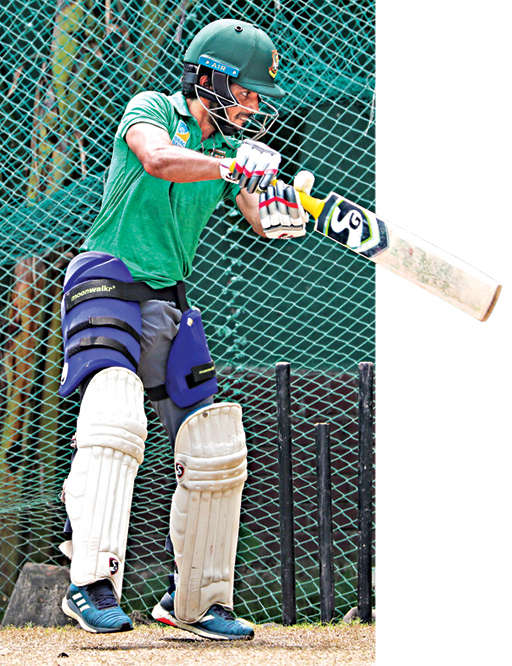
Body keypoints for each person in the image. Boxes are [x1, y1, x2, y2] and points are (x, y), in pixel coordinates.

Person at [57, 18, 308, 641]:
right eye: (245, 93)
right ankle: (89, 585)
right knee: (115, 410)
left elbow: (261, 220)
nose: (253, 108)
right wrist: (231, 166)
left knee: (213, 443)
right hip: (106, 279)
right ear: (210, 79)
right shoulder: (152, 109)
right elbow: (158, 159)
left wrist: (284, 207)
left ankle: (196, 601)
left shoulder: (229, 151)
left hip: (169, 300)